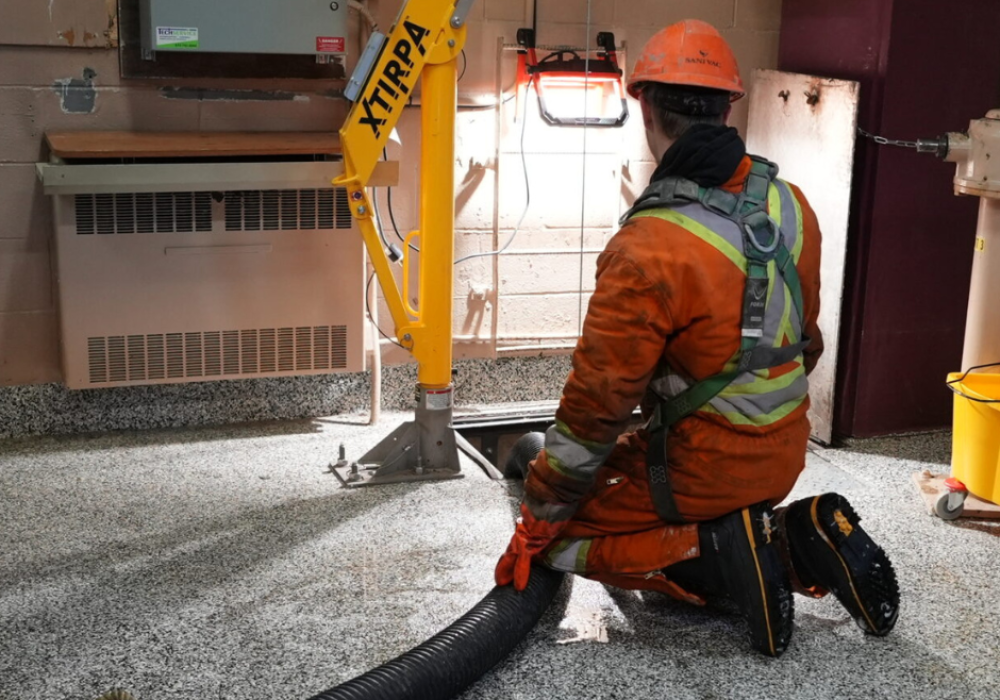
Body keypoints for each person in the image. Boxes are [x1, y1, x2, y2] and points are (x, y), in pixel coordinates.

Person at [494, 19, 899, 657]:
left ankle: (721, 549)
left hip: (700, 472)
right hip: (786, 454)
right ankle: (793, 536)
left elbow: (595, 411)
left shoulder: (649, 245)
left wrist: (539, 513)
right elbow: (806, 344)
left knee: (563, 540)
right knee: (681, 487)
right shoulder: (791, 204)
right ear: (728, 107)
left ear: (645, 108)